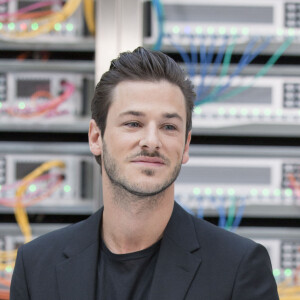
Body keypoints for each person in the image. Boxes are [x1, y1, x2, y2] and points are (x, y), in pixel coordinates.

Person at [10, 47, 279, 300]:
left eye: (169, 127)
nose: (151, 141)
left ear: (185, 145)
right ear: (96, 137)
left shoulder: (238, 267)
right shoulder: (36, 267)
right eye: (133, 123)